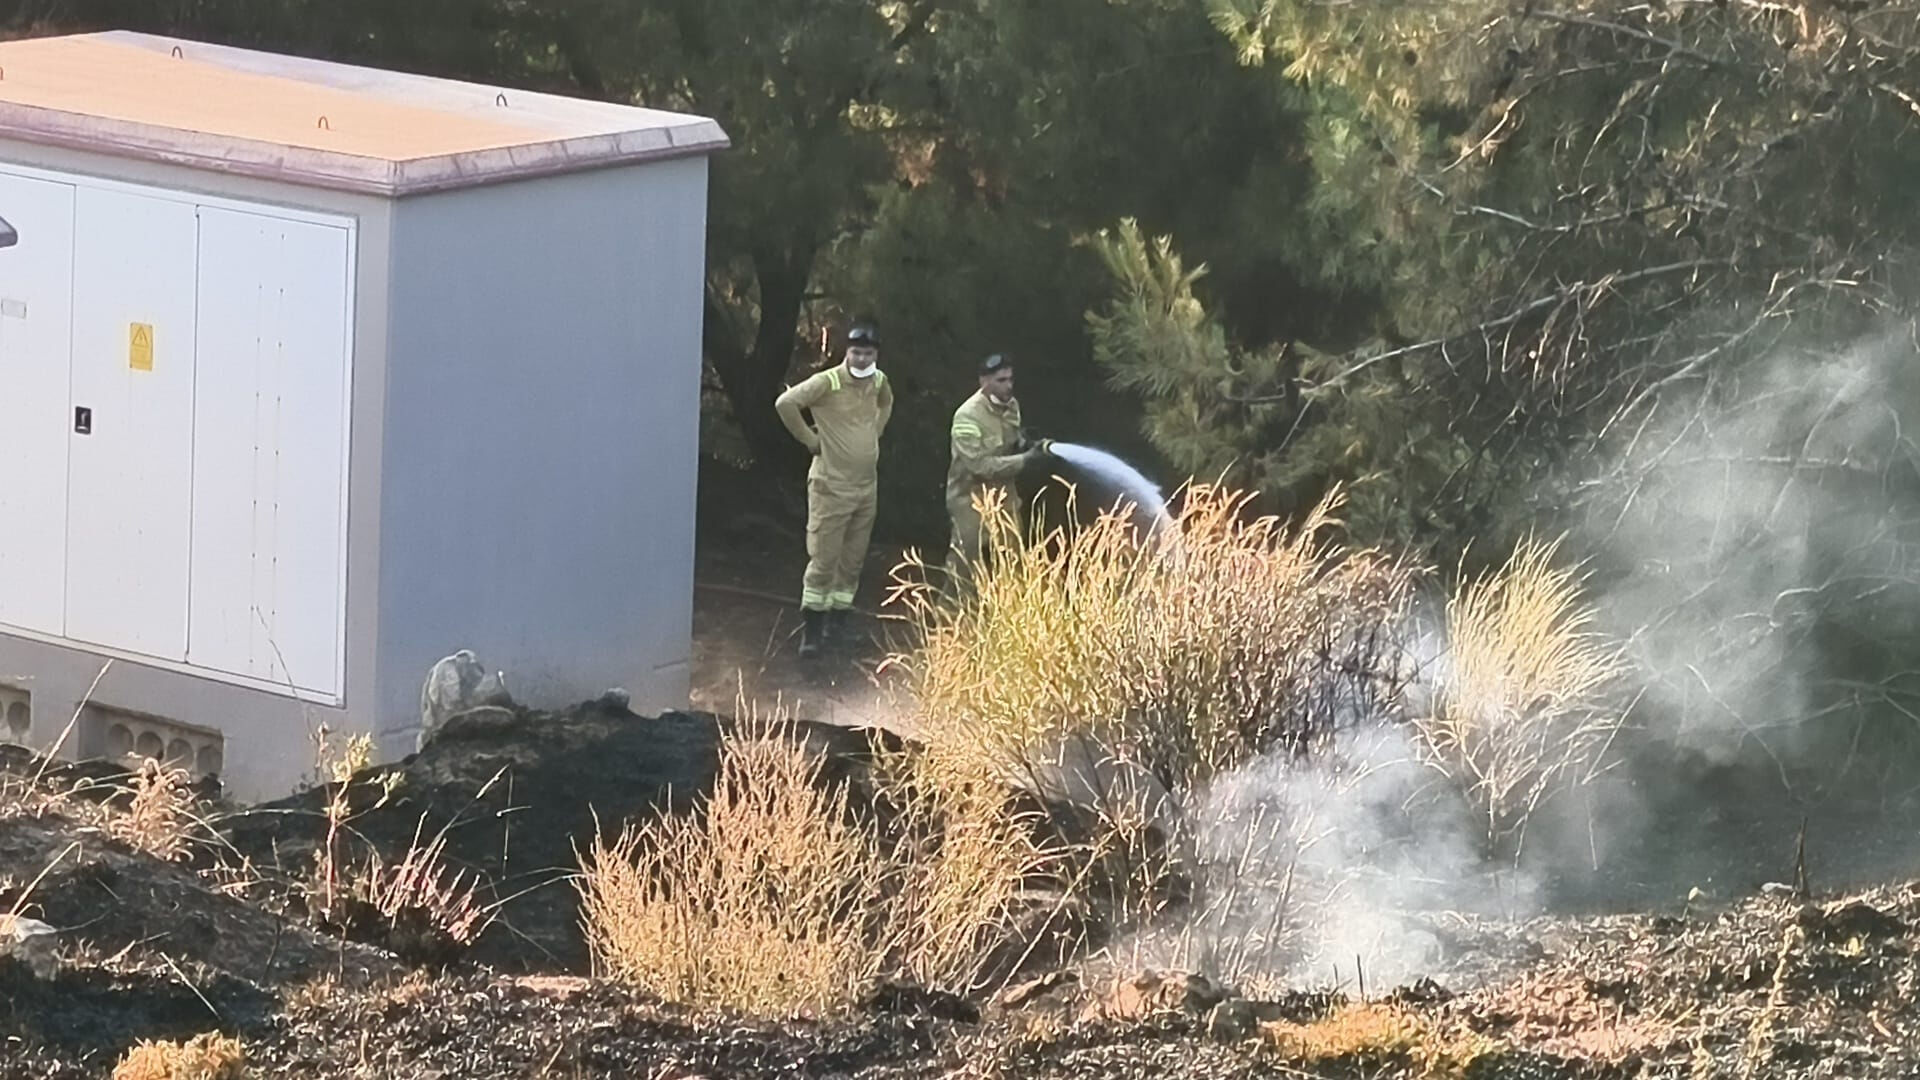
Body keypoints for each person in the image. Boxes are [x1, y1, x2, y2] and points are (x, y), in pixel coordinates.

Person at [774, 323, 894, 658]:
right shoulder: (828, 382)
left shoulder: (879, 381)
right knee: (824, 561)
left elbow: (887, 403)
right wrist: (811, 441)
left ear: (876, 355)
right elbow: (785, 404)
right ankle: (811, 634)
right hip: (832, 487)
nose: (861, 358)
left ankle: (838, 627)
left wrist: (874, 432)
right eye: (856, 352)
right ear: (847, 352)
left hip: (865, 489)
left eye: (868, 353)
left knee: (852, 562)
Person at [946, 352, 1051, 580]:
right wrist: (1026, 460)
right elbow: (980, 466)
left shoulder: (1011, 406)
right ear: (984, 382)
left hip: (1005, 496)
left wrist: (1029, 445)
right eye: (1001, 381)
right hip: (970, 499)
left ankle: (1006, 611)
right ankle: (949, 613)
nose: (1009, 386)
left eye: (1010, 379)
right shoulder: (967, 417)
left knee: (1013, 564)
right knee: (964, 565)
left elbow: (1012, 439)